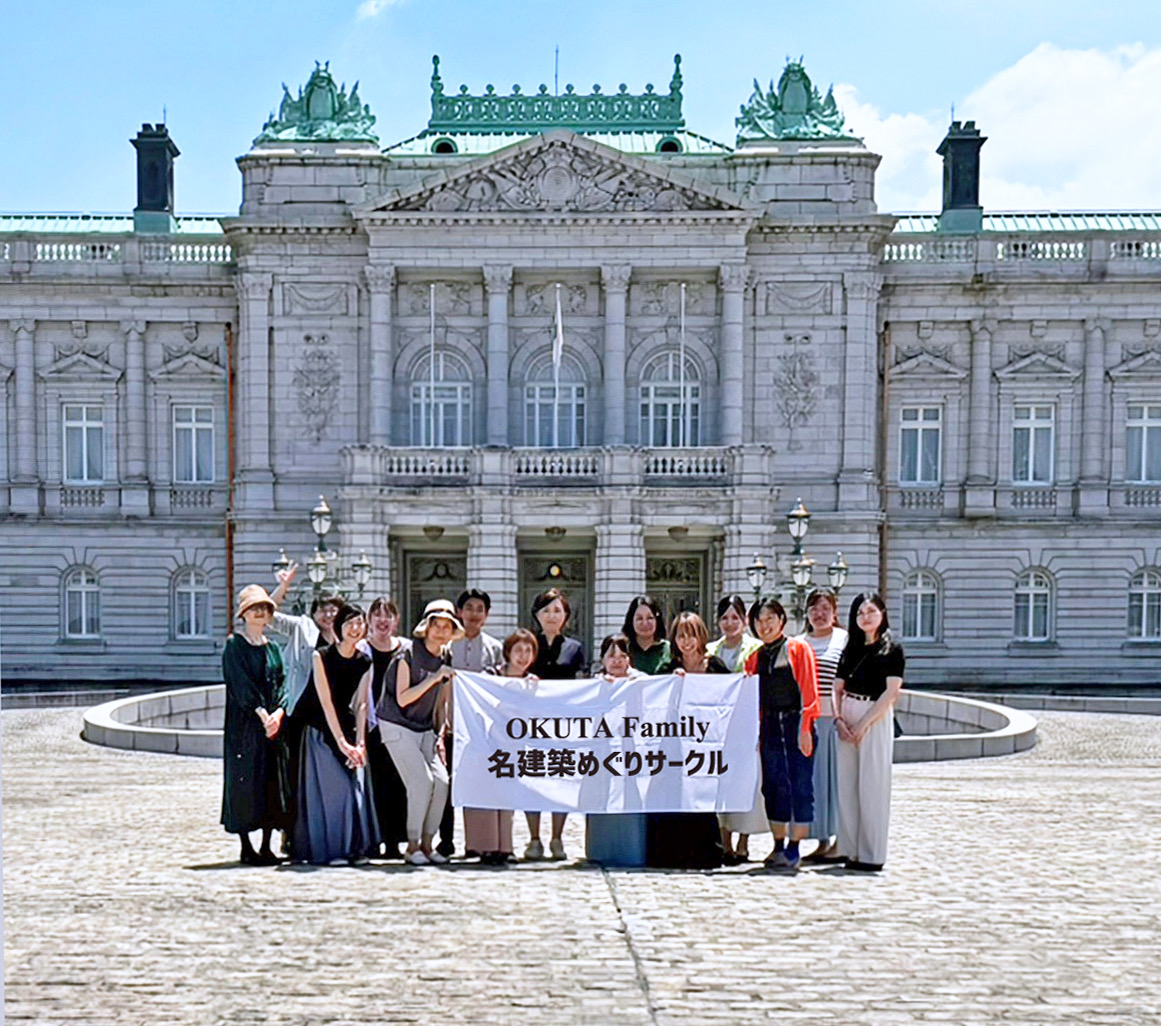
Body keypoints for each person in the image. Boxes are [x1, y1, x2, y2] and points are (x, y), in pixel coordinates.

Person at [291, 603, 380, 866]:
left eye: (360, 623)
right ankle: (331, 851)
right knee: (334, 790)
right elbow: (325, 701)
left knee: (355, 788)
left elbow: (362, 704)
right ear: (339, 627)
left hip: (347, 725)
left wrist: (360, 744)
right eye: (349, 623)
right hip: (318, 727)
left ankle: (353, 848)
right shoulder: (321, 656)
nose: (355, 628)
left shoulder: (365, 661)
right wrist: (341, 743)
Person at [377, 599, 460, 866]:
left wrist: (442, 731)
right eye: (436, 625)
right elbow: (403, 698)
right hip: (396, 724)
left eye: (447, 627)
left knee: (442, 782)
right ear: (426, 627)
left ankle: (427, 843)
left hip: (426, 728)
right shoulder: (407, 655)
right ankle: (411, 845)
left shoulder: (445, 656)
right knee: (421, 782)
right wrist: (433, 678)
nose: (441, 631)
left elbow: (442, 699)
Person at [646, 612, 727, 869]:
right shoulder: (668, 668)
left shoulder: (714, 665)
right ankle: (670, 853)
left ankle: (705, 853)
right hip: (672, 743)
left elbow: (730, 694)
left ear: (701, 636)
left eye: (691, 635)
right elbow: (651, 695)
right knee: (672, 795)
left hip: (704, 743)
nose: (686, 641)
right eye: (681, 636)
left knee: (701, 795)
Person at [745, 598, 819, 872]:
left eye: (769, 619)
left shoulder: (798, 648)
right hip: (769, 727)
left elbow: (809, 691)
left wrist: (805, 728)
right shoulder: (754, 656)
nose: (764, 626)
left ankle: (795, 847)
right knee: (774, 786)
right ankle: (777, 844)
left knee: (799, 784)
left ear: (781, 620)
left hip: (794, 722)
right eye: (759, 621)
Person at [221, 585, 292, 865]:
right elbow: (240, 686)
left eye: (264, 608)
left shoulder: (273, 647)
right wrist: (263, 714)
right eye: (254, 608)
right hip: (246, 726)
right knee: (246, 780)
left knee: (271, 781)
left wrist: (279, 713)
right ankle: (246, 845)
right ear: (244, 614)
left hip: (273, 726)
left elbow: (282, 683)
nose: (260, 612)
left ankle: (266, 844)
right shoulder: (234, 646)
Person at [833, 592, 905, 872]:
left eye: (871, 611)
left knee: (872, 785)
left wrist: (862, 725)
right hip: (847, 712)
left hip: (874, 714)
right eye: (860, 612)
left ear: (883, 614)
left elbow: (891, 693)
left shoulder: (892, 648)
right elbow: (836, 688)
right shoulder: (850, 648)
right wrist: (839, 719)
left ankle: (872, 853)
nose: (865, 617)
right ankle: (851, 850)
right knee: (847, 787)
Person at [461, 629, 539, 865]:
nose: (523, 656)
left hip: (513, 747)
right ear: (508, 652)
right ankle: (485, 847)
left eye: (528, 651)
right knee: (485, 796)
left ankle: (506, 846)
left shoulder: (532, 683)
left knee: (507, 797)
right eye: (518, 650)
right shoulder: (491, 675)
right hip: (485, 744)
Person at [441, 589, 505, 858]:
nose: (474, 614)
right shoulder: (446, 645)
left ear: (486, 615)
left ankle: (479, 841)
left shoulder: (495, 648)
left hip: (481, 729)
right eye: (469, 608)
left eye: (480, 609)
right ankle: (444, 839)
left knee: (479, 784)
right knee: (446, 785)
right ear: (460, 612)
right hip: (450, 722)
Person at [524, 588, 584, 860]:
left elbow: (581, 684)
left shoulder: (575, 648)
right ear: (536, 615)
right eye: (546, 610)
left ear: (566, 617)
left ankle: (557, 838)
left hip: (563, 725)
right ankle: (534, 838)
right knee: (532, 779)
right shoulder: (527, 644)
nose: (551, 616)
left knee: (561, 779)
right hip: (531, 724)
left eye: (557, 610)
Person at [707, 595, 766, 864]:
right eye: (724, 618)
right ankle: (725, 841)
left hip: (746, 725)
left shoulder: (757, 649)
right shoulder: (710, 650)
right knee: (720, 783)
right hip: (716, 728)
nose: (729, 623)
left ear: (744, 620)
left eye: (735, 617)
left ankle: (744, 841)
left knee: (746, 784)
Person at [584, 634, 648, 867]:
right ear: (602, 659)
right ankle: (599, 850)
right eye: (611, 656)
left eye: (623, 655)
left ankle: (630, 849)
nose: (617, 661)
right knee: (600, 799)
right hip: (601, 756)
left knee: (630, 801)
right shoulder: (595, 683)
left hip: (631, 753)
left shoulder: (641, 681)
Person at [797, 588, 849, 864]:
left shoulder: (844, 640)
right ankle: (822, 840)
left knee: (837, 780)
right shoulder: (798, 642)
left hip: (835, 719)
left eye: (825, 608)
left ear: (834, 611)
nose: (820, 614)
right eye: (814, 608)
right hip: (808, 721)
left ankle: (843, 839)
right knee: (815, 782)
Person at [359, 596, 410, 859]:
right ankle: (373, 840)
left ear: (396, 620)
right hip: (371, 727)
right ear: (368, 620)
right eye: (377, 614)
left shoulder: (407, 649)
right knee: (374, 786)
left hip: (401, 725)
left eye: (388, 614)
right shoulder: (360, 650)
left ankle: (394, 842)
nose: (383, 620)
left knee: (399, 785)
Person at [622, 595, 672, 674]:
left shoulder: (669, 649)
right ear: (631, 621)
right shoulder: (623, 649)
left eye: (650, 618)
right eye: (639, 618)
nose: (645, 623)